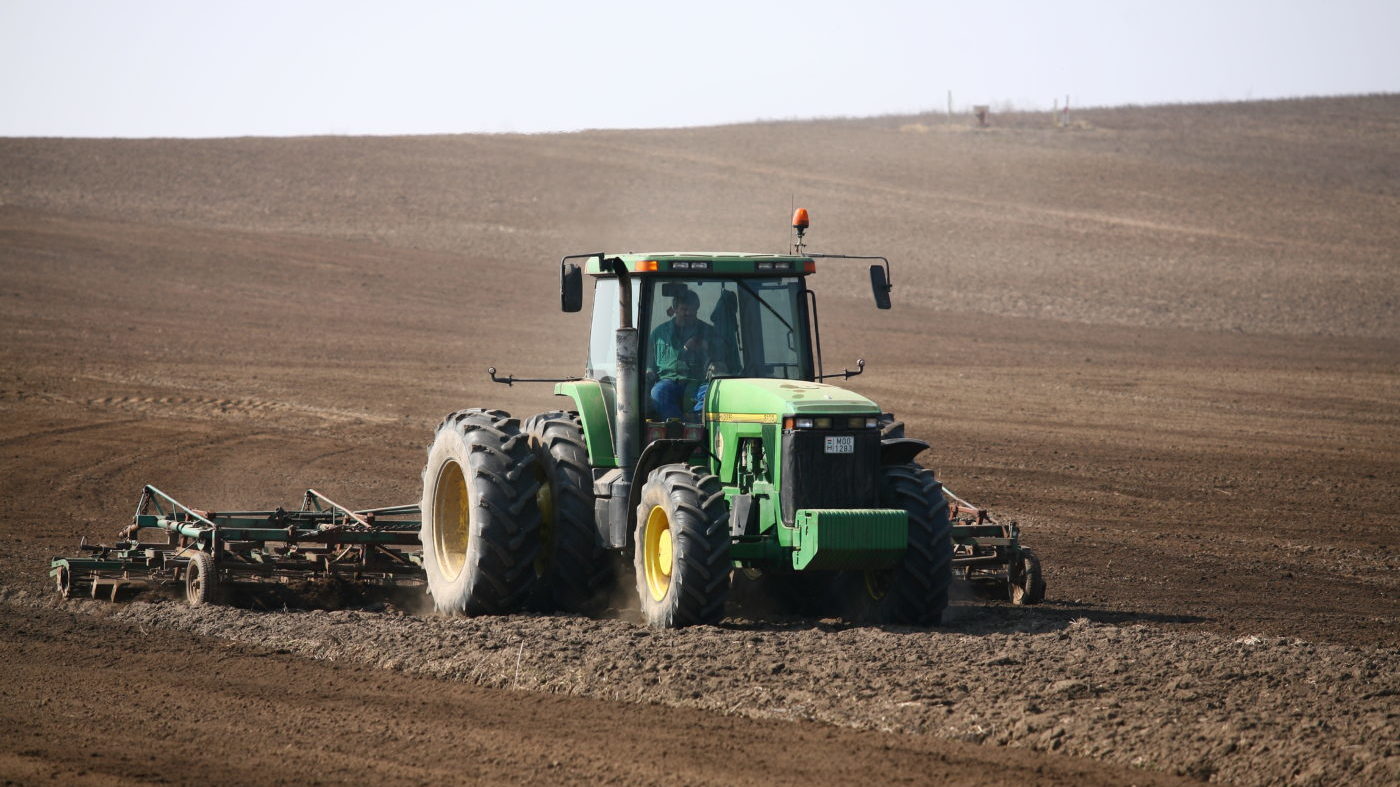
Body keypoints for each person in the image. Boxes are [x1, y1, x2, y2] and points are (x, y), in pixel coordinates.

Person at [648, 288, 714, 419]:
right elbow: (649, 363)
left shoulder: (708, 332)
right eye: (684, 309)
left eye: (692, 310)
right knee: (657, 393)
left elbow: (719, 360)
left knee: (711, 395)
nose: (688, 313)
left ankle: (695, 425)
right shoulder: (659, 333)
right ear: (675, 309)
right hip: (668, 380)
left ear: (697, 309)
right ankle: (678, 426)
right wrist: (648, 372)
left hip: (698, 382)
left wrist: (705, 349)